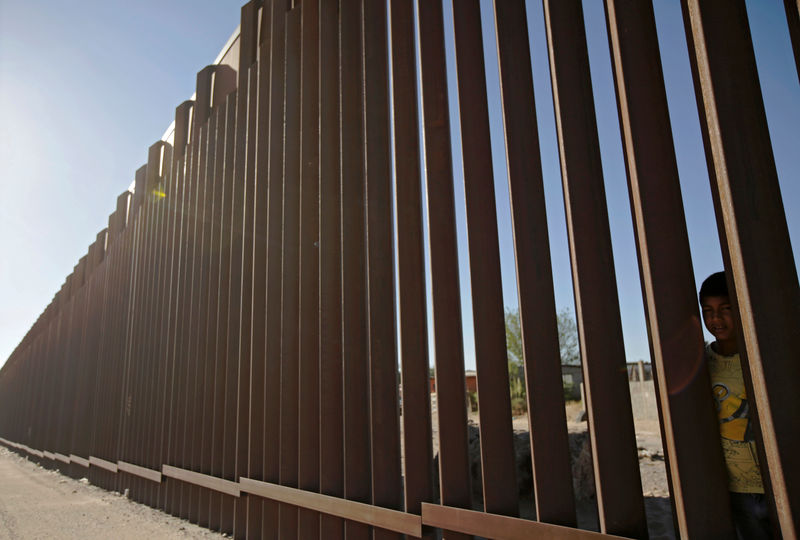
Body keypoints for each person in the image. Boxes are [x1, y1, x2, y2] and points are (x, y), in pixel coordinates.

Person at [699, 271, 772, 539]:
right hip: (735, 486)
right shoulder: (705, 363)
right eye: (708, 311)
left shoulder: (765, 357)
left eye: (726, 309)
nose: (716, 318)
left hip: (775, 480)